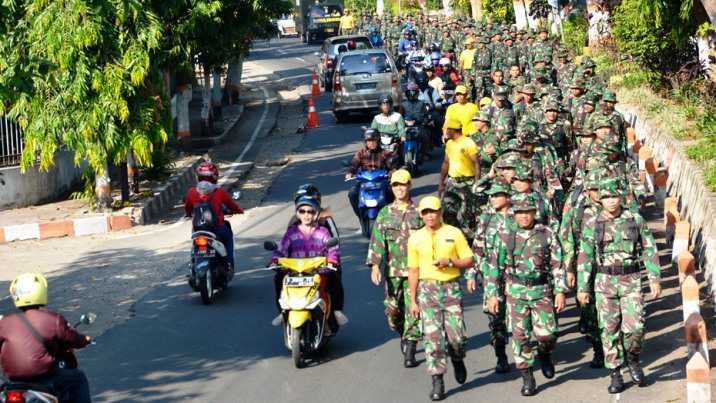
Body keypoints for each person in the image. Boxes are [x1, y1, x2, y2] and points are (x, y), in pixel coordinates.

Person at [576, 178, 661, 393]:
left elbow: (649, 248)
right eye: (606, 197)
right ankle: (615, 373)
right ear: (600, 199)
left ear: (621, 197)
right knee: (609, 329)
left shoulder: (634, 219)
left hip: (631, 280)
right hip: (604, 282)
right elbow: (585, 257)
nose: (611, 201)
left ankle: (633, 358)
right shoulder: (592, 223)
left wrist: (654, 278)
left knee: (636, 328)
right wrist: (582, 287)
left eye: (614, 196)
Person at [486, 193, 566, 396]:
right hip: (516, 292)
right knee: (520, 337)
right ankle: (527, 376)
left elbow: (558, 263)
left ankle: (545, 353)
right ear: (514, 214)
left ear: (534, 212)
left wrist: (560, 291)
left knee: (547, 334)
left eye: (527, 212)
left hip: (541, 291)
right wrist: (493, 294)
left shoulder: (546, 233)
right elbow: (494, 265)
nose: (523, 216)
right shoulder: (505, 234)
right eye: (519, 213)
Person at [408, 196, 475, 401]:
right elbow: (413, 270)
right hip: (427, 291)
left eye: (433, 211)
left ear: (440, 212)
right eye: (425, 212)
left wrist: (451, 262)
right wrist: (413, 300)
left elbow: (469, 259)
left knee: (456, 339)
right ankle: (437, 380)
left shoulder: (453, 233)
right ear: (421, 214)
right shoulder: (415, 238)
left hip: (450, 289)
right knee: (433, 340)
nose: (430, 215)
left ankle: (457, 358)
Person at [0, 273, 92, 403]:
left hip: (13, 382)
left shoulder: (5, 322)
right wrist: (85, 340)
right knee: (78, 378)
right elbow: (73, 339)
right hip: (43, 379)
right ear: (41, 291)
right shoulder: (53, 319)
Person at [367, 169, 424, 368]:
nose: (400, 188)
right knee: (393, 312)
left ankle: (410, 347)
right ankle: (402, 332)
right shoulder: (385, 213)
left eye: (403, 184)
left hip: (416, 273)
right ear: (391, 188)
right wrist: (375, 265)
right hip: (393, 272)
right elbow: (377, 241)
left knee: (414, 309)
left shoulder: (419, 213)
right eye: (395, 185)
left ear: (409, 186)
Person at [271, 196, 347, 332]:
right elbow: (281, 249)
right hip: (294, 273)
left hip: (318, 272)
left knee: (335, 277)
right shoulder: (291, 233)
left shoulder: (323, 232)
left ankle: (336, 311)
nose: (306, 215)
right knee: (277, 279)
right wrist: (275, 261)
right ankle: (282, 312)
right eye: (302, 211)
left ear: (316, 213)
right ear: (298, 213)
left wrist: (332, 260)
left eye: (310, 211)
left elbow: (332, 250)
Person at [469, 182, 514, 374]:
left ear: (508, 196)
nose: (493, 199)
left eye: (497, 195)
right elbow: (478, 247)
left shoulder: (519, 217)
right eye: (492, 196)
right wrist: (472, 273)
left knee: (520, 317)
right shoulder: (486, 219)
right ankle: (501, 356)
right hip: (491, 275)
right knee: (496, 317)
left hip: (515, 275)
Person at [184, 161, 244, 270]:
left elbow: (188, 208)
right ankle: (229, 262)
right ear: (215, 177)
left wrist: (188, 214)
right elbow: (232, 205)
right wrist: (239, 210)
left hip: (198, 229)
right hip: (218, 228)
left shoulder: (191, 192)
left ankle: (193, 263)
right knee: (228, 237)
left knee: (194, 244)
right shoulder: (219, 191)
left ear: (198, 177)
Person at [439, 119, 480, 241]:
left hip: (467, 182)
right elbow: (446, 163)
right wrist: (441, 183)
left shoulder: (468, 143)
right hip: (452, 182)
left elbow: (477, 164)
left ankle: (469, 241)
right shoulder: (449, 143)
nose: (445, 132)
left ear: (453, 130)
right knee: (447, 210)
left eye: (447, 129)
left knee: (465, 214)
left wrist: (476, 184)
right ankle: (452, 239)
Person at [346, 129, 395, 226]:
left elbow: (392, 166)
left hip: (381, 182)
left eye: (373, 140)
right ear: (365, 142)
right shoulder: (361, 153)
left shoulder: (385, 153)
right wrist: (350, 172)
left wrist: (392, 172)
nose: (371, 143)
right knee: (352, 193)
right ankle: (359, 215)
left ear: (378, 141)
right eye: (368, 141)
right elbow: (353, 165)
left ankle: (392, 216)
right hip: (365, 183)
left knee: (392, 192)